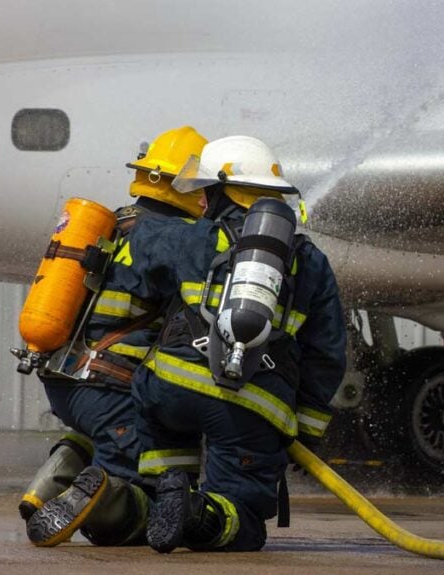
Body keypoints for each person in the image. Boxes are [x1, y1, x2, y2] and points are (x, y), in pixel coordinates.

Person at [125, 135, 347, 552]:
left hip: (167, 390)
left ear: (218, 191)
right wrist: (307, 427)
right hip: (247, 402)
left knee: (164, 448)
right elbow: (327, 351)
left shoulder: (191, 238)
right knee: (242, 514)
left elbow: (143, 259)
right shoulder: (309, 259)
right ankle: (198, 514)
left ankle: (148, 499)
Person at [21, 126, 208, 547]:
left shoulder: (119, 223)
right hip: (110, 386)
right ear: (192, 187)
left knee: (97, 434)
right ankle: (103, 497)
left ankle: (48, 486)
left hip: (64, 377)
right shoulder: (176, 239)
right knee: (145, 497)